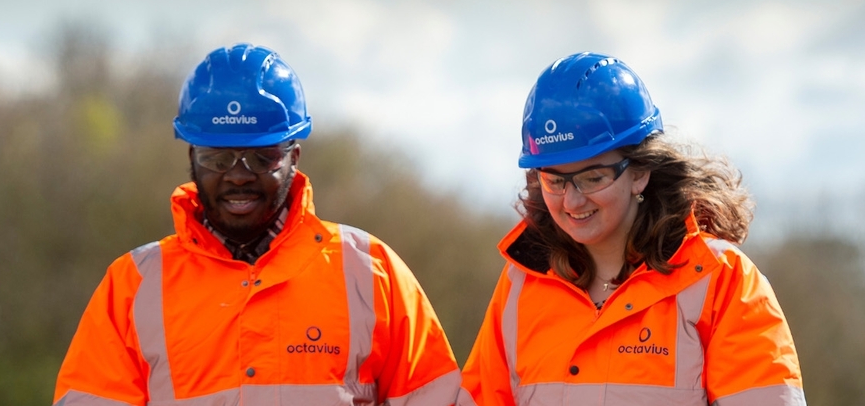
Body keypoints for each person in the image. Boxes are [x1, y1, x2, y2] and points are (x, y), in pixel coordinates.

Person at [53, 44, 462, 406]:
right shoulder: (132, 286)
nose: (238, 175)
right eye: (218, 158)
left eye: (261, 157)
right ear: (192, 158)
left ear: (293, 157)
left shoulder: (372, 272)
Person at [458, 53, 805, 405]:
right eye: (554, 181)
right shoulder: (520, 284)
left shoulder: (722, 281)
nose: (572, 201)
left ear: (639, 173)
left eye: (592, 178)